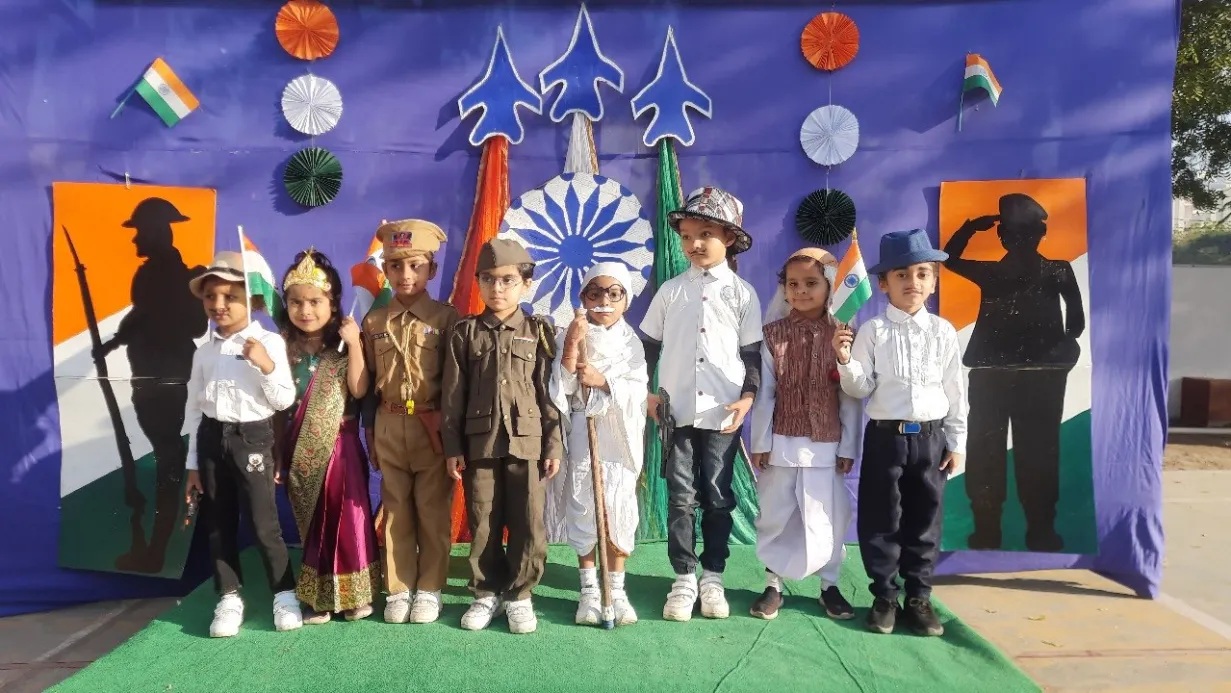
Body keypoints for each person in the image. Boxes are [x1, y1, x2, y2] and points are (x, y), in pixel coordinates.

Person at [834, 228, 968, 637]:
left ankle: (919, 598)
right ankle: (884, 597)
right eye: (902, 275)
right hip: (886, 437)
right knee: (882, 517)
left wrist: (957, 442)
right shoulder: (874, 331)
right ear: (883, 283)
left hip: (930, 439)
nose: (913, 282)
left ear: (934, 280)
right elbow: (860, 388)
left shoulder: (943, 331)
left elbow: (955, 390)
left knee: (925, 517)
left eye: (923, 274)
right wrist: (844, 361)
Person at [640, 187, 763, 622]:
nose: (695, 244)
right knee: (679, 497)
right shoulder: (671, 292)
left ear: (729, 238)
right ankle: (683, 577)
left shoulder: (742, 295)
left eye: (706, 233)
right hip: (676, 415)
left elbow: (752, 357)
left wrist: (747, 398)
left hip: (723, 416)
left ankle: (712, 575)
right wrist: (648, 392)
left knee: (717, 495)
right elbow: (646, 349)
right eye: (688, 234)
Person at [943, 193, 1084, 551]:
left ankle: (998, 530)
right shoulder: (1056, 269)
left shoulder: (999, 272)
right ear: (1039, 235)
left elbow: (950, 258)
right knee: (1032, 448)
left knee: (990, 448)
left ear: (1003, 237)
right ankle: (1032, 530)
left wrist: (970, 229)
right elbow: (1077, 322)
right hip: (1031, 374)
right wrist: (1062, 346)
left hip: (1011, 374)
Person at [442, 238, 564, 634]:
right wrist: (453, 447)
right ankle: (485, 592)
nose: (498, 289)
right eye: (489, 280)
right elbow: (453, 397)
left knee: (528, 520)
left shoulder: (539, 331)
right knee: (482, 519)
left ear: (526, 284)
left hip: (527, 441)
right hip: (480, 442)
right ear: (478, 283)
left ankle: (520, 595)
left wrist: (553, 443)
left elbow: (549, 393)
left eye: (508, 280)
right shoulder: (465, 333)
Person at [181, 250, 301, 638]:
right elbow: (195, 409)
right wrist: (193, 464)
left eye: (229, 296)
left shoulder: (268, 342)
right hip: (212, 438)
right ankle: (229, 596)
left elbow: (283, 399)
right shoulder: (204, 352)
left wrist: (264, 364)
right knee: (218, 522)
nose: (218, 305)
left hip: (252, 438)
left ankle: (284, 594)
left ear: (250, 298)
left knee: (264, 523)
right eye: (210, 297)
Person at [94, 197, 207, 573]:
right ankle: (155, 548)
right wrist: (113, 342)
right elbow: (140, 317)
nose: (135, 239)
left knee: (168, 462)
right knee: (166, 460)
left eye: (140, 231)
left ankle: (158, 549)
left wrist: (124, 336)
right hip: (150, 378)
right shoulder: (156, 275)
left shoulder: (178, 277)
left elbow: (188, 325)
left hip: (166, 381)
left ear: (157, 232)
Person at [748, 248, 861, 621]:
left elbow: (849, 398)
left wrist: (848, 445)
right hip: (781, 441)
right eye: (792, 284)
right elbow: (765, 392)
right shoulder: (773, 335)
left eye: (811, 283)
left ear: (830, 287)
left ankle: (829, 585)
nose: (800, 291)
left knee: (828, 517)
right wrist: (761, 442)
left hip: (827, 445)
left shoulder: (843, 337)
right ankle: (772, 583)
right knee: (777, 513)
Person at [361, 219, 459, 625]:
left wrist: (453, 439)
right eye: (396, 266)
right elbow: (366, 385)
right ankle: (399, 587)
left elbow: (456, 383)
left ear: (432, 270)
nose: (406, 275)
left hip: (431, 427)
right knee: (396, 509)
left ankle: (431, 588)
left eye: (416, 265)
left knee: (433, 511)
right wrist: (369, 431)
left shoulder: (448, 319)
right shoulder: (373, 322)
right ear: (384, 270)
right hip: (388, 424)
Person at [277, 249, 380, 625]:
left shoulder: (342, 345)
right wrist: (276, 455)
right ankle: (317, 597)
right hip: (299, 448)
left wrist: (354, 343)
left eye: (315, 302)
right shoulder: (282, 350)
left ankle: (356, 594)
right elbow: (277, 409)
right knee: (314, 524)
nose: (306, 310)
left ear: (333, 302)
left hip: (342, 447)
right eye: (297, 302)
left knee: (347, 518)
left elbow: (358, 387)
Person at [548, 262, 647, 627]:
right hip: (582, 429)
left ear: (625, 300)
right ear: (583, 297)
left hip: (619, 436)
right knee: (585, 503)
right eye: (595, 293)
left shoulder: (630, 341)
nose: (604, 300)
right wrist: (573, 344)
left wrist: (605, 381)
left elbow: (638, 389)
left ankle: (616, 590)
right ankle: (589, 589)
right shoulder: (570, 332)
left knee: (618, 506)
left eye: (613, 293)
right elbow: (560, 388)